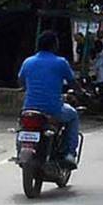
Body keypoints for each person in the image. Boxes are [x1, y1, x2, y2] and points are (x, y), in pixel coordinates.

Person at [18, 30, 81, 167]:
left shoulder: (28, 62)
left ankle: (20, 150)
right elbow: (72, 82)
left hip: (29, 109)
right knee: (73, 116)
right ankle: (69, 153)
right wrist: (81, 92)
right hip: (53, 109)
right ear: (54, 46)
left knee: (21, 125)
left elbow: (21, 81)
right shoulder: (60, 63)